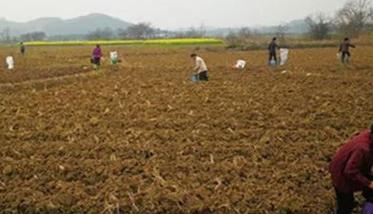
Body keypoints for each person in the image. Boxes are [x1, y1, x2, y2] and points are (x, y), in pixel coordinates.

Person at [329, 125, 373, 214]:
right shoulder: (363, 149)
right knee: (345, 206)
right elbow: (350, 171)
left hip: (355, 167)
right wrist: (369, 183)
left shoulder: (368, 135)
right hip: (342, 176)